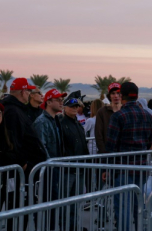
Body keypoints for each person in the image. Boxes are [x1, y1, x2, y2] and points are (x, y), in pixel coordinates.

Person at [0, 78, 47, 228]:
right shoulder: (13, 111)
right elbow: (12, 141)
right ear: (23, 92)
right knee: (17, 210)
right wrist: (23, 163)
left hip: (21, 170)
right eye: (29, 91)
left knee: (20, 210)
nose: (29, 94)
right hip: (17, 172)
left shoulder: (16, 109)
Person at [105, 82, 152, 231]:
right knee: (138, 204)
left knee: (123, 207)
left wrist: (108, 169)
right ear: (137, 95)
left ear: (121, 95)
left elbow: (111, 145)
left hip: (123, 168)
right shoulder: (147, 115)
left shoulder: (118, 116)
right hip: (142, 167)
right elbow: (149, 141)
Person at [32, 89, 66, 230]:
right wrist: (50, 164)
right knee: (46, 205)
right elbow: (42, 147)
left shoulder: (55, 120)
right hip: (46, 171)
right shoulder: (41, 122)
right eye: (58, 99)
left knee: (52, 205)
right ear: (49, 102)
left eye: (61, 99)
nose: (61, 102)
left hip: (53, 168)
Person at [59, 97, 90, 230]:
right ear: (65, 108)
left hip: (80, 167)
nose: (74, 109)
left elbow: (83, 144)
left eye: (76, 106)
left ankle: (74, 226)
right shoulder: (61, 124)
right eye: (71, 106)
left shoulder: (78, 124)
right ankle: (65, 226)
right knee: (65, 201)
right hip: (67, 169)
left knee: (76, 201)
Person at [95, 82, 122, 153]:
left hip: (123, 154)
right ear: (109, 96)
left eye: (118, 93)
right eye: (113, 93)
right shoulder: (102, 112)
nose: (116, 96)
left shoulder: (125, 111)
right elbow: (98, 135)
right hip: (107, 154)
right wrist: (104, 152)